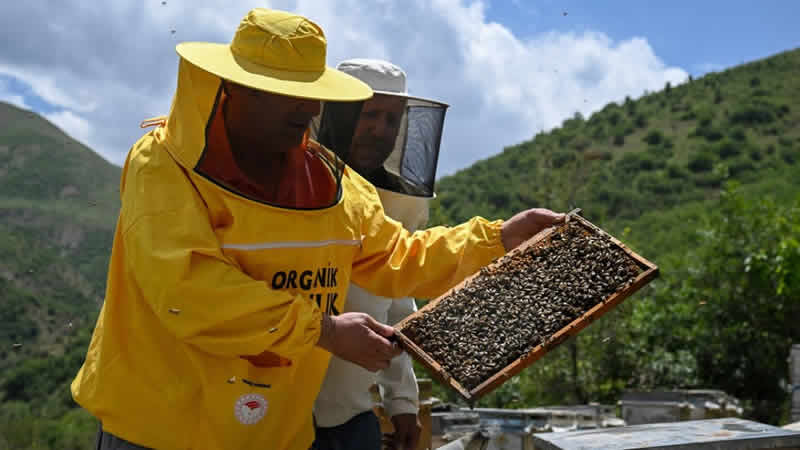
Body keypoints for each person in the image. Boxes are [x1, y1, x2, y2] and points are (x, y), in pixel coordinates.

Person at [70, 8, 564, 450]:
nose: (308, 111)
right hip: (161, 431)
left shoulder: (330, 176)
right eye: (289, 95)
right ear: (235, 90)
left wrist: (496, 239)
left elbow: (397, 256)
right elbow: (188, 290)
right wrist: (324, 330)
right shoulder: (162, 165)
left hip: (275, 432)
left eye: (313, 95)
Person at [312, 59, 448, 450]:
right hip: (276, 412)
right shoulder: (295, 183)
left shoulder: (392, 201)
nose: (381, 130)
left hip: (353, 418)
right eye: (369, 114)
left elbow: (394, 302)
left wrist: (403, 400)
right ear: (337, 114)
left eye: (392, 119)